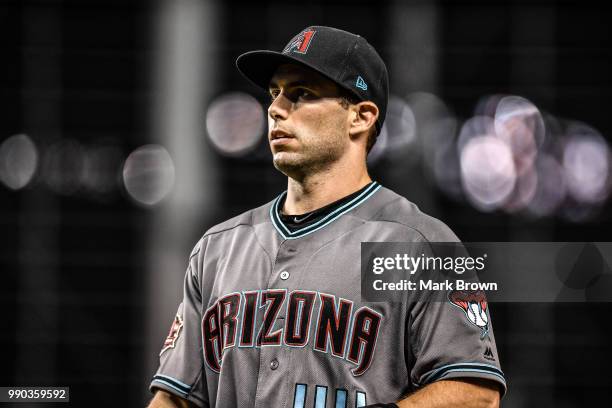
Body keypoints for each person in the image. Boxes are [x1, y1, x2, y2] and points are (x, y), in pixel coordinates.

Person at [147, 26, 506, 408]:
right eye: (275, 93)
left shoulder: (417, 244)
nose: (276, 109)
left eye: (302, 94)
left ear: (361, 117)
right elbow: (175, 398)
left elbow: (474, 396)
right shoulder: (218, 247)